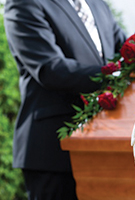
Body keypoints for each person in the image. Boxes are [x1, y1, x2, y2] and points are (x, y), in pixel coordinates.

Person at [4, 0, 126, 199]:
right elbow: (50, 69)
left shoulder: (98, 4)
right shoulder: (24, 3)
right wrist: (114, 75)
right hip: (53, 151)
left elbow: (128, 53)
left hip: (106, 147)